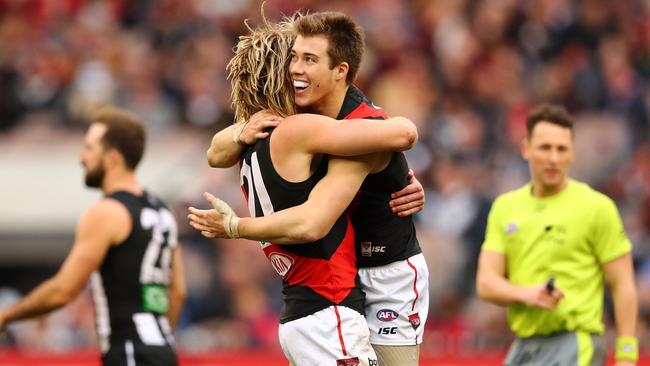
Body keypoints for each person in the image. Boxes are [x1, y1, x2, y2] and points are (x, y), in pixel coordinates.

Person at [192, 11, 429, 366]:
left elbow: (405, 133)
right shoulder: (292, 125)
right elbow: (215, 152)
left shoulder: (356, 127)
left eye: (309, 60)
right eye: (293, 58)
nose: (295, 69)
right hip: (334, 289)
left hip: (386, 272)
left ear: (340, 71)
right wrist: (240, 129)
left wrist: (235, 227)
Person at [0, 107, 186, 366]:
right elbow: (177, 292)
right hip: (162, 351)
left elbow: (63, 291)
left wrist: (6, 316)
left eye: (89, 148)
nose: (81, 157)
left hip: (129, 351)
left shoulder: (106, 212)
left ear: (112, 158)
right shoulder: (162, 211)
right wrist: (158, 338)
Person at [476, 104, 638, 366]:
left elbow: (623, 284)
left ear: (572, 153)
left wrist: (627, 354)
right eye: (545, 147)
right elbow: (486, 283)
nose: (553, 158)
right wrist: (528, 294)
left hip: (576, 342)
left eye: (561, 149)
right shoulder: (506, 207)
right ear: (526, 149)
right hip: (525, 345)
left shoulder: (597, 207)